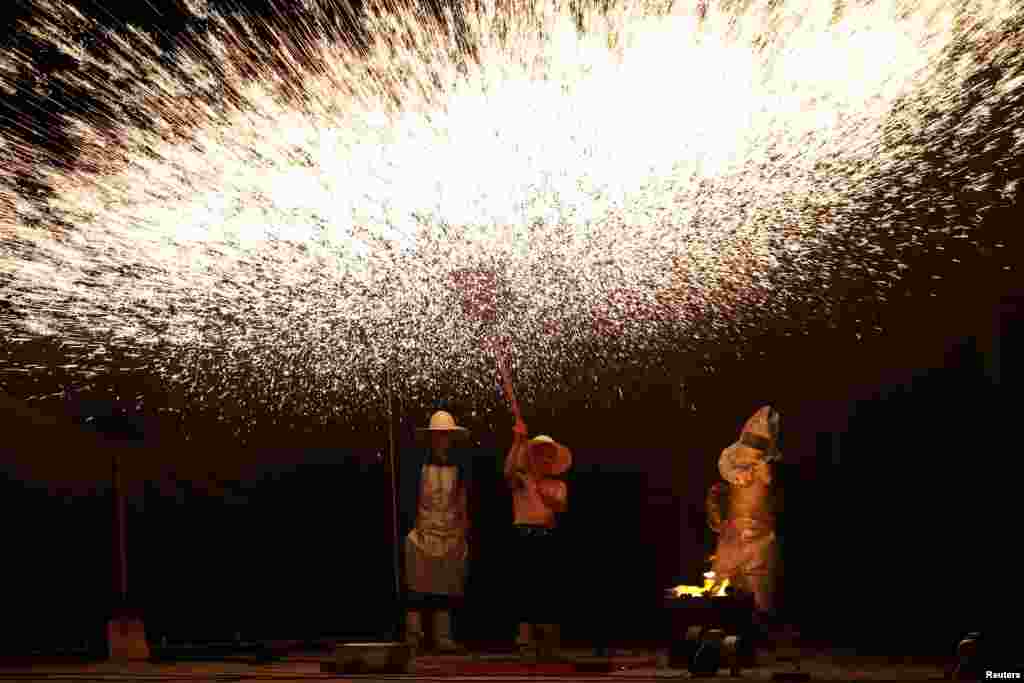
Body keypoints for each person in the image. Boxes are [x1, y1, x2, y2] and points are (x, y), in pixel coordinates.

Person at [401, 410, 471, 653]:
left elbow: (462, 499)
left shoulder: (460, 467)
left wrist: (462, 529)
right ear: (431, 438)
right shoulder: (417, 465)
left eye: (446, 436)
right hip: (422, 530)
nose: (443, 440)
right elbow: (410, 497)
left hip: (450, 531)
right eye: (439, 436)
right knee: (416, 586)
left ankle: (443, 636)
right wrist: (415, 526)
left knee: (447, 584)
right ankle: (413, 635)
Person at [504, 416, 572, 662]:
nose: (543, 459)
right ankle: (525, 642)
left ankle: (548, 644)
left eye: (547, 455)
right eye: (539, 454)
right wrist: (516, 442)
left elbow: (560, 506)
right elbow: (508, 472)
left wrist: (544, 492)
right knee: (525, 591)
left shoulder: (559, 486)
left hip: (547, 539)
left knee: (547, 592)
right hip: (524, 538)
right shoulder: (522, 480)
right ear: (532, 457)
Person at [706, 406, 781, 624]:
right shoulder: (732, 467)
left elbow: (769, 485)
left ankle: (758, 628)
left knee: (758, 591)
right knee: (720, 583)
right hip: (732, 535)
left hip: (760, 537)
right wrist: (717, 517)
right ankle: (721, 625)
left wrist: (759, 471)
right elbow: (719, 485)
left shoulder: (766, 470)